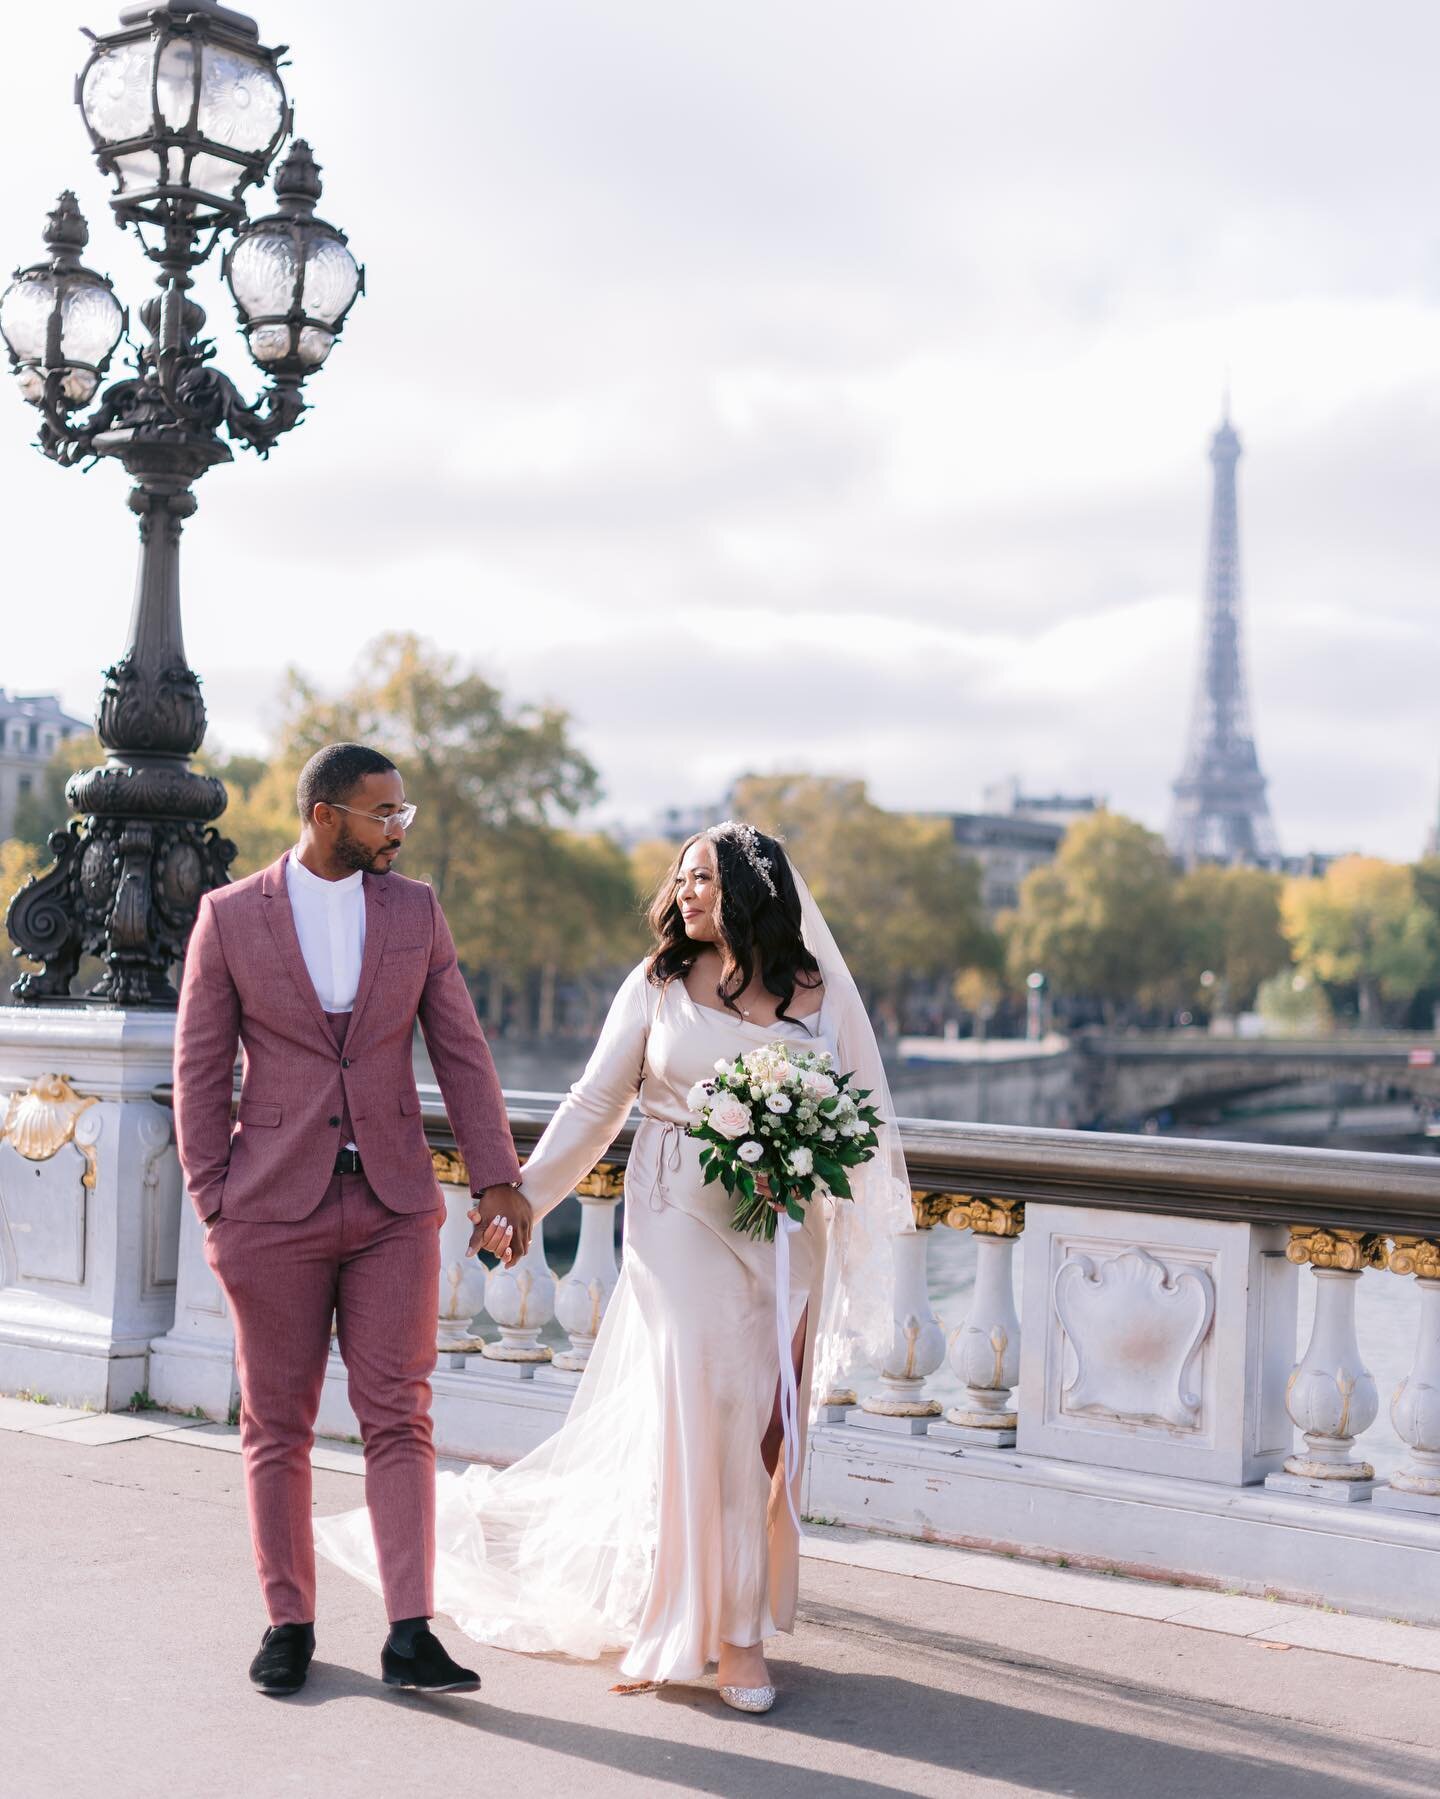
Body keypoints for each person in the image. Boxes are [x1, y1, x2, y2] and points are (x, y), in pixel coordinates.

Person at [315, 819, 910, 1712]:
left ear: (753, 889)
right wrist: (521, 1197)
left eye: (704, 877)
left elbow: (860, 1111)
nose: (686, 893)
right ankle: (728, 1637)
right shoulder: (659, 982)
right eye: (682, 878)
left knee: (764, 1424)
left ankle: (718, 1602)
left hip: (784, 1230)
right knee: (712, 1399)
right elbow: (597, 1101)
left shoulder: (816, 989)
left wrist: (811, 1158)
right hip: (675, 1213)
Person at [173, 743, 532, 1698]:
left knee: (399, 1416)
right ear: (326, 814)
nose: (398, 828)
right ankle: (288, 1621)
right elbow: (199, 1072)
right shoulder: (229, 916)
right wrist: (216, 1200)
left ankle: (409, 1631)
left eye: (401, 813)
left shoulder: (415, 910)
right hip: (268, 1211)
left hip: (392, 1205)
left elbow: (461, 1046)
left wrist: (499, 1177)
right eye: (384, 813)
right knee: (276, 1425)